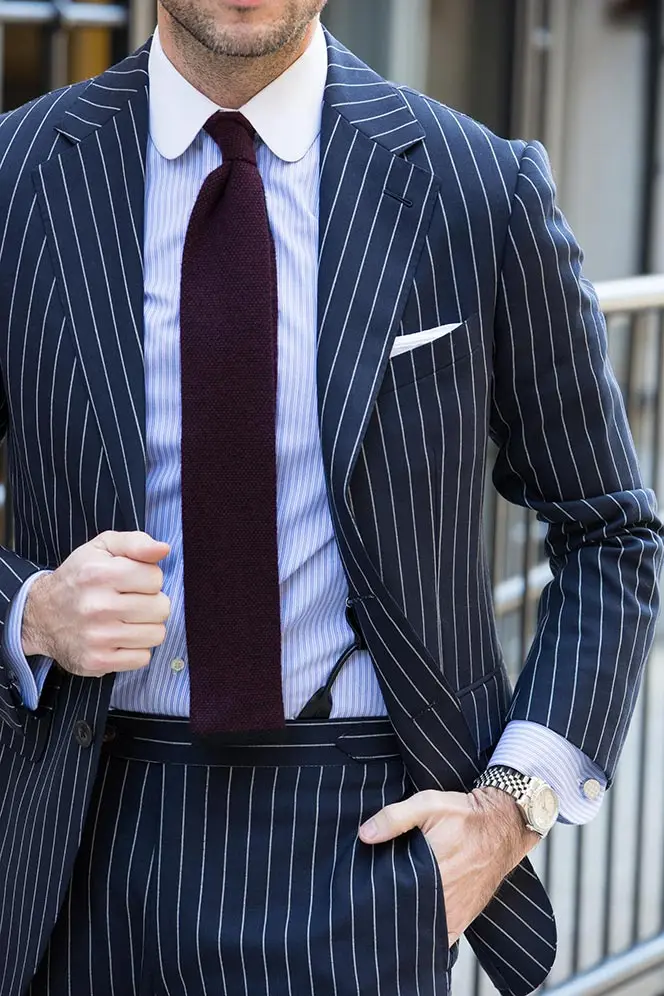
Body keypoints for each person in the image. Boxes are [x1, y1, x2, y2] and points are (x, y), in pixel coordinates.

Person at [0, 1, 660, 993]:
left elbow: (610, 527)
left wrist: (510, 808)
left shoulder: (476, 187)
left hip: (367, 840)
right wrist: (31, 611)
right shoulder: (19, 175)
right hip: (79, 828)